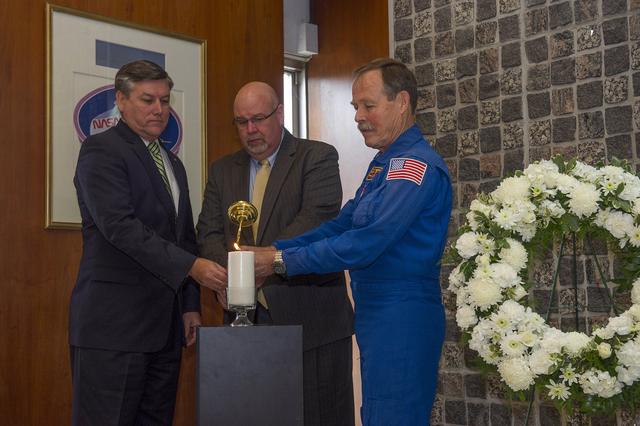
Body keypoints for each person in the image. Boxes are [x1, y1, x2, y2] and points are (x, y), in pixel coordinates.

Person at [251, 58, 453, 425]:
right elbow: (341, 225)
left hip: (402, 313)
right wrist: (276, 251)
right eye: (355, 107)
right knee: (376, 413)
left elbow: (366, 243)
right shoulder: (384, 164)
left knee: (393, 416)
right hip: (377, 312)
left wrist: (281, 262)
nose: (358, 116)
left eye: (369, 106)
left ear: (402, 102)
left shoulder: (414, 166)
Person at [70, 60, 227, 425]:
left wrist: (190, 305)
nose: (159, 109)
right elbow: (119, 227)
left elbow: (184, 237)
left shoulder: (173, 163)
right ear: (121, 101)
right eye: (147, 100)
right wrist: (192, 268)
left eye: (165, 100)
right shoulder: (100, 150)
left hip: (165, 329)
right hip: (113, 330)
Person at [196, 81, 355, 426]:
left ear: (279, 114)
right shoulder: (223, 170)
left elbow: (316, 221)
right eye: (241, 122)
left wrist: (258, 265)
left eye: (258, 119)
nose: (250, 130)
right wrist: (229, 279)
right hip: (244, 321)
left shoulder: (318, 156)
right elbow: (208, 233)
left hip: (311, 320)